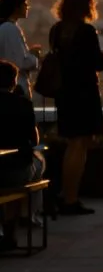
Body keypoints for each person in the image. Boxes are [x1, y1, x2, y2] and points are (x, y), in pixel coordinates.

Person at [50, 0, 103, 215]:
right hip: (84, 93)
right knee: (79, 144)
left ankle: (67, 195)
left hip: (65, 93)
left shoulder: (57, 30)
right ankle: (71, 198)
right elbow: (98, 63)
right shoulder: (86, 31)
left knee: (72, 143)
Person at [0, 60, 45, 234]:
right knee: (38, 165)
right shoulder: (22, 104)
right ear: (13, 82)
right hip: (15, 169)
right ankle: (26, 217)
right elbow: (34, 140)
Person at [0, 0, 41, 97]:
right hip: (17, 89)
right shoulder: (10, 29)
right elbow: (20, 62)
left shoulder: (8, 27)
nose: (27, 7)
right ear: (16, 7)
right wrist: (34, 57)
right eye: (25, 4)